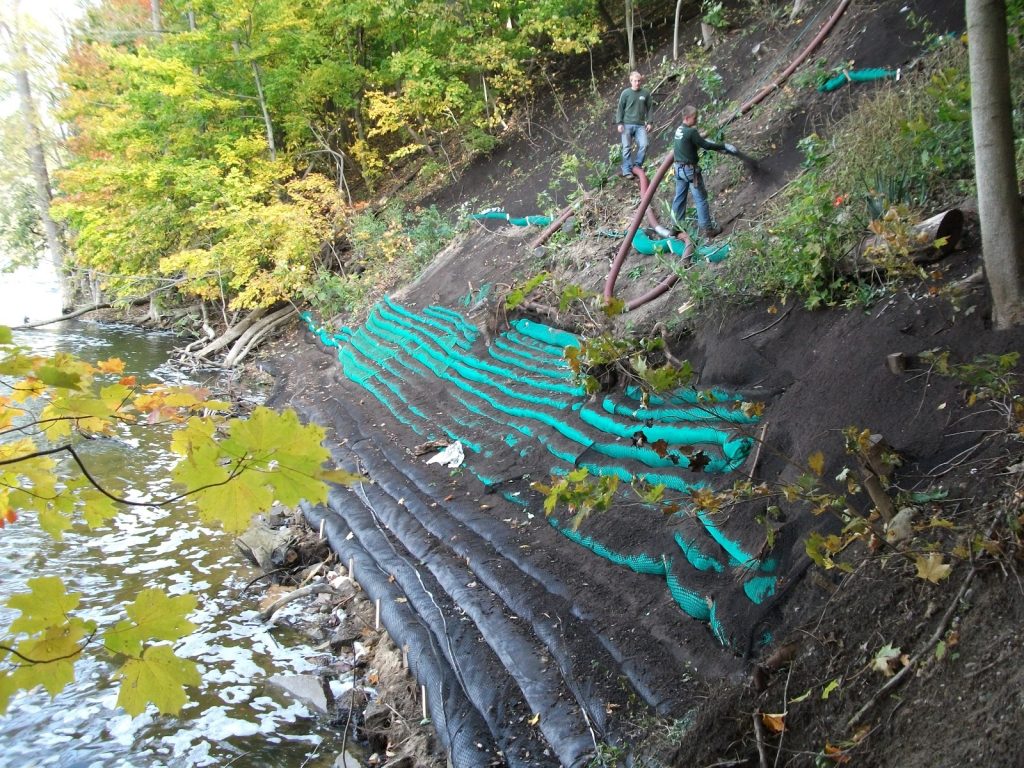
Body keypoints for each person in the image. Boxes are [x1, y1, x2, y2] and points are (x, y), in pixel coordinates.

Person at [671, 105, 737, 239]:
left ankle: (675, 228)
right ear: (687, 118)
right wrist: (723, 146)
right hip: (690, 171)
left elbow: (693, 143)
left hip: (678, 169)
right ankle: (708, 229)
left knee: (679, 198)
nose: (696, 120)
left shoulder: (679, 130)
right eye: (694, 118)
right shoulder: (691, 132)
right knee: (700, 199)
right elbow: (705, 145)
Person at [616, 71, 654, 177]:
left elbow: (650, 108)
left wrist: (650, 122)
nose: (637, 83)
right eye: (635, 81)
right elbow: (620, 108)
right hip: (627, 124)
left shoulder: (645, 93)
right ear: (631, 81)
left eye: (639, 81)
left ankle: (637, 165)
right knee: (626, 147)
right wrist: (619, 123)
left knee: (644, 144)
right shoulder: (625, 93)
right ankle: (627, 169)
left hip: (640, 125)